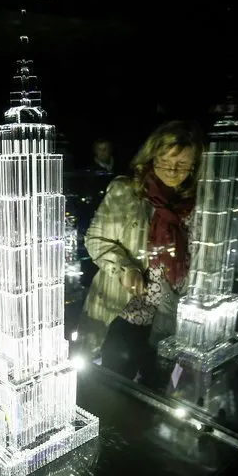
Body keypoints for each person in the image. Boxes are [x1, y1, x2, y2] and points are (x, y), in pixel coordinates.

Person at [77, 120, 205, 381]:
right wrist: (125, 268)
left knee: (156, 389)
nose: (172, 170)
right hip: (124, 312)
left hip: (171, 319)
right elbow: (95, 239)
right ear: (151, 156)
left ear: (194, 165)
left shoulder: (197, 202)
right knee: (113, 387)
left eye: (181, 163)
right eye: (164, 160)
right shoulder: (127, 192)